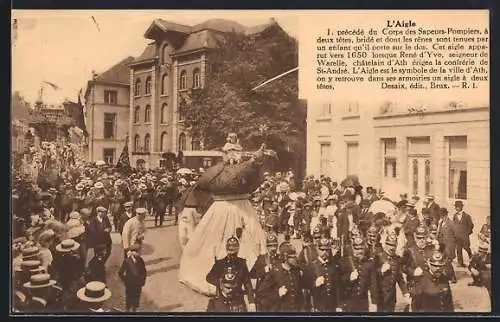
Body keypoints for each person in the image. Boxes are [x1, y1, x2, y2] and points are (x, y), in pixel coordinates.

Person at [178, 133, 276, 296]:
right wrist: (250, 162)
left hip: (242, 206)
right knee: (214, 241)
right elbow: (225, 181)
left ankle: (250, 275)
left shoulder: (244, 170)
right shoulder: (220, 172)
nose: (234, 155)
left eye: (235, 151)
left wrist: (255, 162)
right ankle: (220, 276)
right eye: (230, 151)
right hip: (223, 208)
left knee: (252, 239)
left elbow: (246, 180)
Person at [205, 236, 256, 311]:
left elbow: (247, 283)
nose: (232, 250)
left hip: (238, 302)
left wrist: (251, 302)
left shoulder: (242, 264)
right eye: (230, 248)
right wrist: (220, 283)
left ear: (238, 249)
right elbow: (209, 277)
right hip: (222, 301)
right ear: (226, 248)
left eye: (234, 248)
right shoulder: (220, 263)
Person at [257, 242, 305, 312]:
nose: (296, 258)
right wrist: (277, 293)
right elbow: (261, 292)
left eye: (295, 255)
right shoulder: (274, 272)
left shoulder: (296, 271)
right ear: (285, 257)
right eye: (292, 256)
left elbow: (300, 292)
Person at [374, 233, 410, 312]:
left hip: (392, 296)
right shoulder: (379, 257)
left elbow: (400, 277)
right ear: (385, 245)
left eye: (394, 245)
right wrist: (381, 271)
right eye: (389, 245)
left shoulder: (397, 259)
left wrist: (405, 292)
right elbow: (372, 275)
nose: (392, 248)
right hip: (381, 295)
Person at [340, 237, 378, 312]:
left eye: (361, 248)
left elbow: (373, 284)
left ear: (364, 248)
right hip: (348, 301)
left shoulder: (369, 264)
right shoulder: (345, 263)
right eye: (356, 249)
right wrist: (349, 278)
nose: (359, 251)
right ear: (353, 249)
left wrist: (374, 302)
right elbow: (339, 283)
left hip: (363, 303)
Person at [310, 238, 343, 312]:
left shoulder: (334, 265)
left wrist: (339, 305)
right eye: (322, 250)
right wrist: (315, 284)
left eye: (327, 250)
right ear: (317, 250)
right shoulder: (312, 265)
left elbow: (337, 286)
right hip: (319, 305)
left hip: (332, 305)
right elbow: (306, 288)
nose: (325, 252)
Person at [118, 243, 147, 312]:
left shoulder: (140, 260)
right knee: (129, 297)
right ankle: (127, 309)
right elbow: (120, 273)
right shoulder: (127, 261)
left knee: (136, 297)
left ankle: (134, 309)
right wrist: (126, 281)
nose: (139, 253)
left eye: (139, 251)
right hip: (130, 284)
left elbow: (144, 271)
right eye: (137, 251)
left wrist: (143, 280)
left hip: (138, 284)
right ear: (133, 252)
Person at [437, 208, 457, 283]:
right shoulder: (441, 223)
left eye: (443, 215)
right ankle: (446, 275)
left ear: (446, 215)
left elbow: (456, 234)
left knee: (448, 261)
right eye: (441, 215)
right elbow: (439, 234)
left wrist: (452, 243)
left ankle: (453, 277)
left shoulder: (451, 223)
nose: (442, 217)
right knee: (441, 260)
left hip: (449, 245)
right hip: (442, 245)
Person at [453, 200, 474, 267]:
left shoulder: (467, 216)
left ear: (461, 207)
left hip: (464, 236)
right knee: (458, 249)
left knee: (467, 248)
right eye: (456, 207)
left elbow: (471, 225)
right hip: (457, 236)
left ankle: (472, 260)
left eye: (458, 207)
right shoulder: (455, 215)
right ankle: (460, 263)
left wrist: (467, 233)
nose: (457, 208)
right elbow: (453, 225)